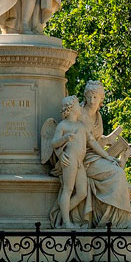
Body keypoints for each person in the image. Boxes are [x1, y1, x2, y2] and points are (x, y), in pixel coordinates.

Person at [78, 81, 131, 230]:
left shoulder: (98, 116)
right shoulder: (80, 114)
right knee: (117, 173)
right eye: (90, 96)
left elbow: (98, 140)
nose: (92, 101)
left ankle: (114, 220)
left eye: (96, 97)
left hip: (96, 156)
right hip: (84, 159)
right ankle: (121, 221)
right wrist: (107, 155)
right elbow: (88, 143)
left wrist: (110, 139)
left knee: (117, 167)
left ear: (101, 99)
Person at [46, 96, 109, 228]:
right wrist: (65, 138)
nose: (81, 106)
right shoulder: (63, 125)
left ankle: (61, 212)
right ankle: (67, 222)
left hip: (79, 161)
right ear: (71, 108)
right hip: (70, 159)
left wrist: (107, 156)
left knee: (82, 193)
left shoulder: (81, 126)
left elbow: (92, 142)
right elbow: (53, 143)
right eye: (77, 105)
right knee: (68, 190)